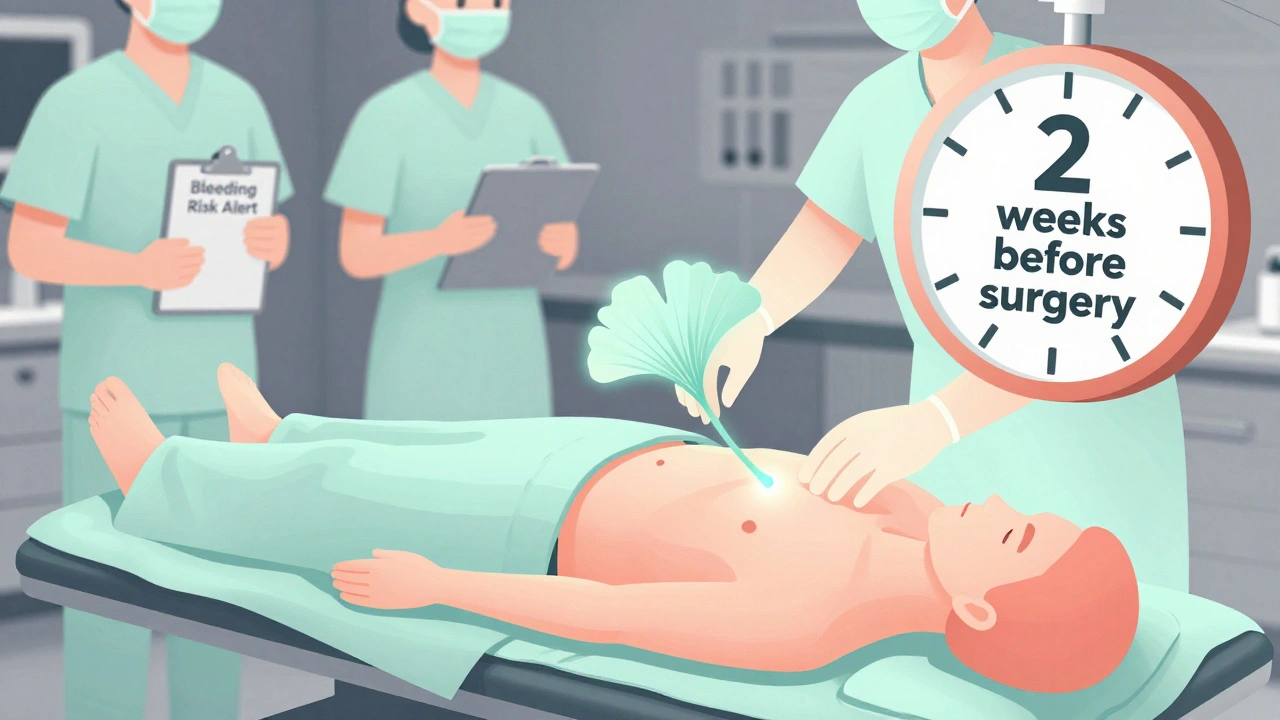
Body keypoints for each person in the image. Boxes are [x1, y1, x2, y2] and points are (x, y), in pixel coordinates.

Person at [85, 365, 1140, 694]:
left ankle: (163, 481)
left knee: (355, 492)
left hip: (535, 522)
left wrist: (439, 589)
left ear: (975, 606)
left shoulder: (803, 625)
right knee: (408, 440)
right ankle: (278, 431)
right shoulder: (911, 509)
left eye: (1012, 538)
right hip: (608, 450)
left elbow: (608, 613)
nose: (998, 508)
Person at [679, 0, 1189, 592]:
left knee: (1101, 629)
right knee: (973, 623)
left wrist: (938, 420)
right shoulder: (876, 105)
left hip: (1086, 439)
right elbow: (825, 231)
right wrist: (753, 316)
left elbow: (1082, 308)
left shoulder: (1061, 90)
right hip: (953, 442)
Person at [0, 0, 295, 717]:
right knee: (107, 595)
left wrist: (271, 243)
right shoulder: (77, 103)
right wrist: (135, 266)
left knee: (218, 593)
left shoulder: (238, 98)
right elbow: (29, 247)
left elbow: (275, 225)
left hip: (221, 381)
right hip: (117, 390)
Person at [326, 0, 578, 422]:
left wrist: (561, 243)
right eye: (461, 3)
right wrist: (438, 242)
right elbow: (357, 254)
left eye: (494, 3)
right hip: (421, 353)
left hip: (513, 352)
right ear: (417, 10)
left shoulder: (526, 113)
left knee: (515, 476)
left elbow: (564, 232)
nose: (480, 11)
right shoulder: (386, 116)